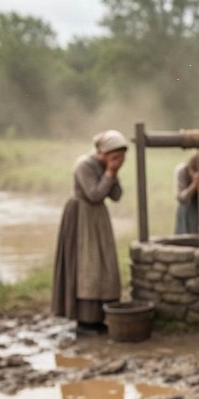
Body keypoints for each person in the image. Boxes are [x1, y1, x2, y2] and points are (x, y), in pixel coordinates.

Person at [51, 129, 127, 335]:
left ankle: (100, 316)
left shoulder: (106, 166)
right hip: (81, 217)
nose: (118, 160)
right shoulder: (84, 165)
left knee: (104, 264)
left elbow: (116, 195)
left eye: (121, 156)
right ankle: (85, 320)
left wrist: (114, 173)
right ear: (102, 152)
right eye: (114, 155)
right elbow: (94, 194)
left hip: (98, 218)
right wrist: (109, 173)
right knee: (87, 266)